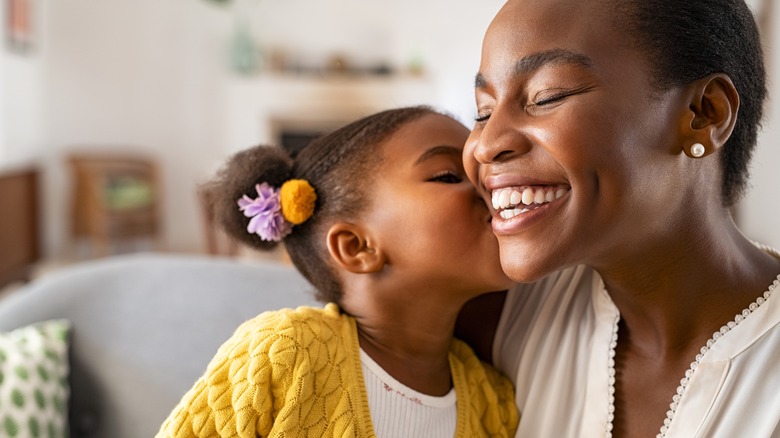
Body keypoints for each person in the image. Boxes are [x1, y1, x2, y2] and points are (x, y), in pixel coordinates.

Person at [456, 0, 780, 437]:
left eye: (547, 96)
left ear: (705, 114)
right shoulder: (498, 317)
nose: (485, 143)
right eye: (483, 111)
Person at [157, 106, 518, 437]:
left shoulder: (493, 402)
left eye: (483, 173)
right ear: (357, 248)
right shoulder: (283, 353)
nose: (490, 186)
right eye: (447, 175)